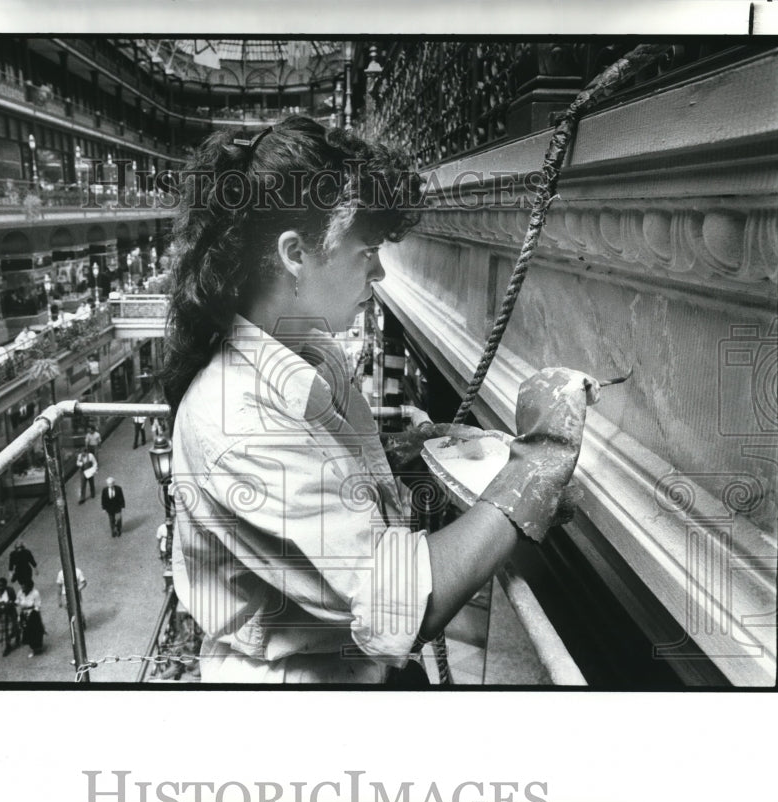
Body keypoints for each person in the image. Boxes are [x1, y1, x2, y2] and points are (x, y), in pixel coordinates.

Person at [163, 116, 598, 684]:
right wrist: (535, 464)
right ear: (295, 253)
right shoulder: (241, 422)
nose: (381, 271)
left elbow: (313, 478)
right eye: (365, 250)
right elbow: (410, 603)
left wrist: (402, 455)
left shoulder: (307, 352)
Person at [16, 579, 45, 657]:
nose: (22, 588)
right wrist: (20, 615)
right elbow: (18, 603)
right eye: (22, 586)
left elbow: (37, 605)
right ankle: (32, 648)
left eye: (24, 586)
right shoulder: (20, 593)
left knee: (35, 631)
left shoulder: (35, 593)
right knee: (26, 631)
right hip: (24, 613)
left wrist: (31, 614)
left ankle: (38, 647)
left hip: (33, 614)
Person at [0, 577, 19, 656]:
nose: (0, 588)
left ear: (5, 585)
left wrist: (9, 604)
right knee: (5, 631)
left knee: (13, 626)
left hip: (9, 613)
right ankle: (8, 646)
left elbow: (14, 601)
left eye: (2, 586)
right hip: (1, 615)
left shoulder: (10, 591)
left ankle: (18, 635)